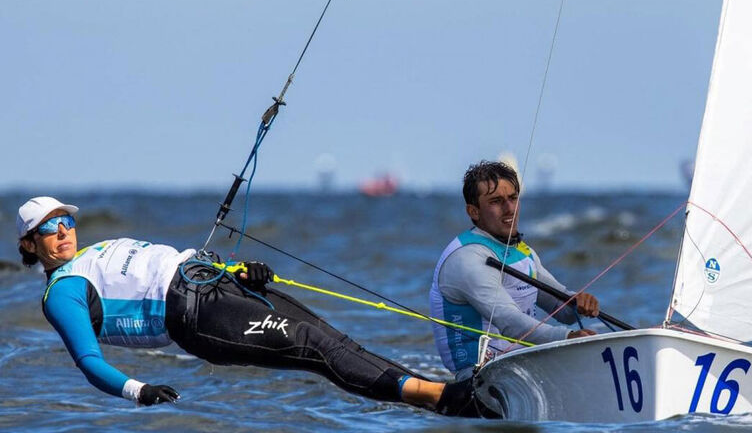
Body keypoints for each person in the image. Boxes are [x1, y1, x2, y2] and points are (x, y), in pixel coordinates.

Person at [18, 196, 490, 416]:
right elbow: (88, 361)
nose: (62, 230)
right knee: (314, 348)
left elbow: (166, 266)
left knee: (329, 336)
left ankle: (440, 392)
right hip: (194, 316)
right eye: (48, 227)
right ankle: (444, 400)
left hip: (211, 283)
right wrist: (138, 392)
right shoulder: (63, 290)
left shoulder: (94, 252)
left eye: (65, 220)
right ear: (29, 243)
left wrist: (236, 271)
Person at [429, 161, 600, 378]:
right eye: (496, 201)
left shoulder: (521, 251)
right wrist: (568, 338)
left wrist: (579, 302)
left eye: (513, 198)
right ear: (473, 211)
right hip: (477, 375)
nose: (509, 209)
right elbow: (510, 322)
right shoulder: (467, 258)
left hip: (521, 364)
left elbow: (561, 308)